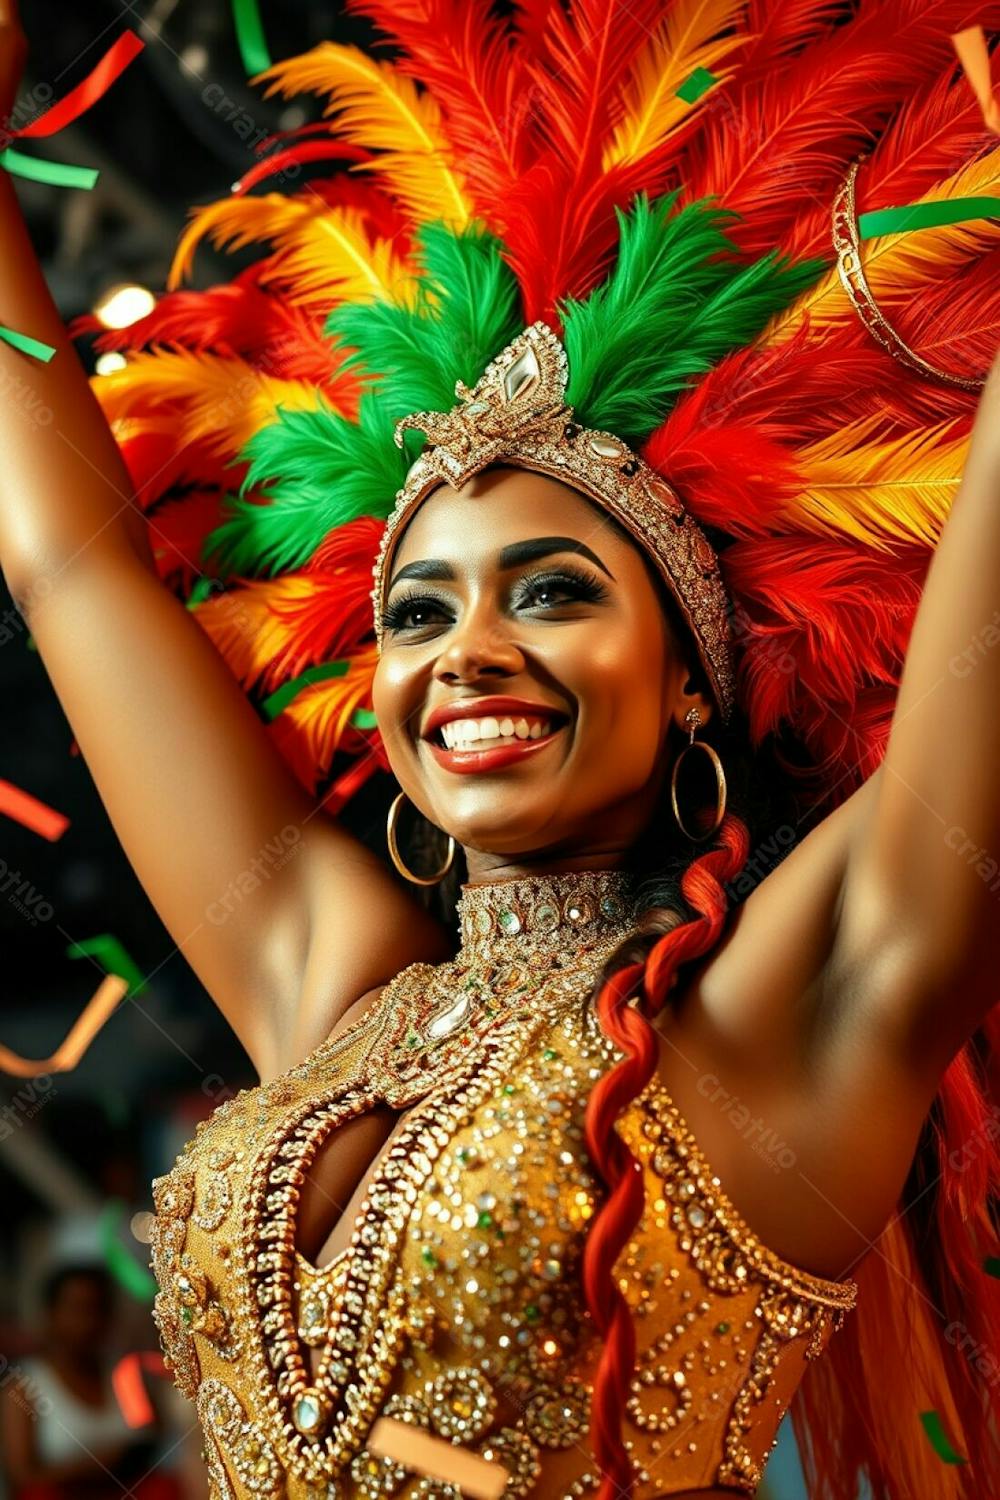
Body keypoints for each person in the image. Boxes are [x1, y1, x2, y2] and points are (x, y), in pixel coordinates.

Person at [0, 1, 999, 1497]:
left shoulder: (791, 1017)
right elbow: (74, 571)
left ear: (688, 690)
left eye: (553, 593)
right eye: (420, 607)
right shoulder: (331, 984)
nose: (467, 647)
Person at [0, 1264, 168, 1500]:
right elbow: (23, 1478)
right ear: (50, 1315)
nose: (88, 1322)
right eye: (76, 1309)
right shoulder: (24, 1387)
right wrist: (95, 1465)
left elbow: (153, 1440)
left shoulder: (124, 1375)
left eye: (96, 1309)